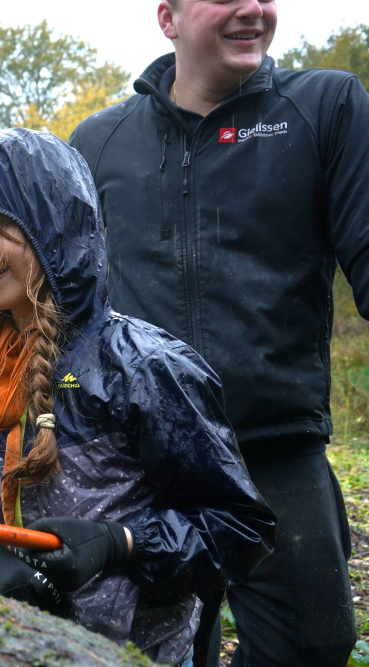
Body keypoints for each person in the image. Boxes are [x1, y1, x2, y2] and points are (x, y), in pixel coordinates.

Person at [68, 1, 367, 664]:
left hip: (274, 452)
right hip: (146, 466)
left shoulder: (325, 107)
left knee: (318, 643)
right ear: (168, 19)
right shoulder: (98, 144)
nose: (253, 9)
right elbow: (69, 304)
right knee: (154, 648)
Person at [0, 128, 275, 666]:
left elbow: (240, 530)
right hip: (9, 650)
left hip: (141, 653)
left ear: (53, 226)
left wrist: (121, 544)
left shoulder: (146, 367)